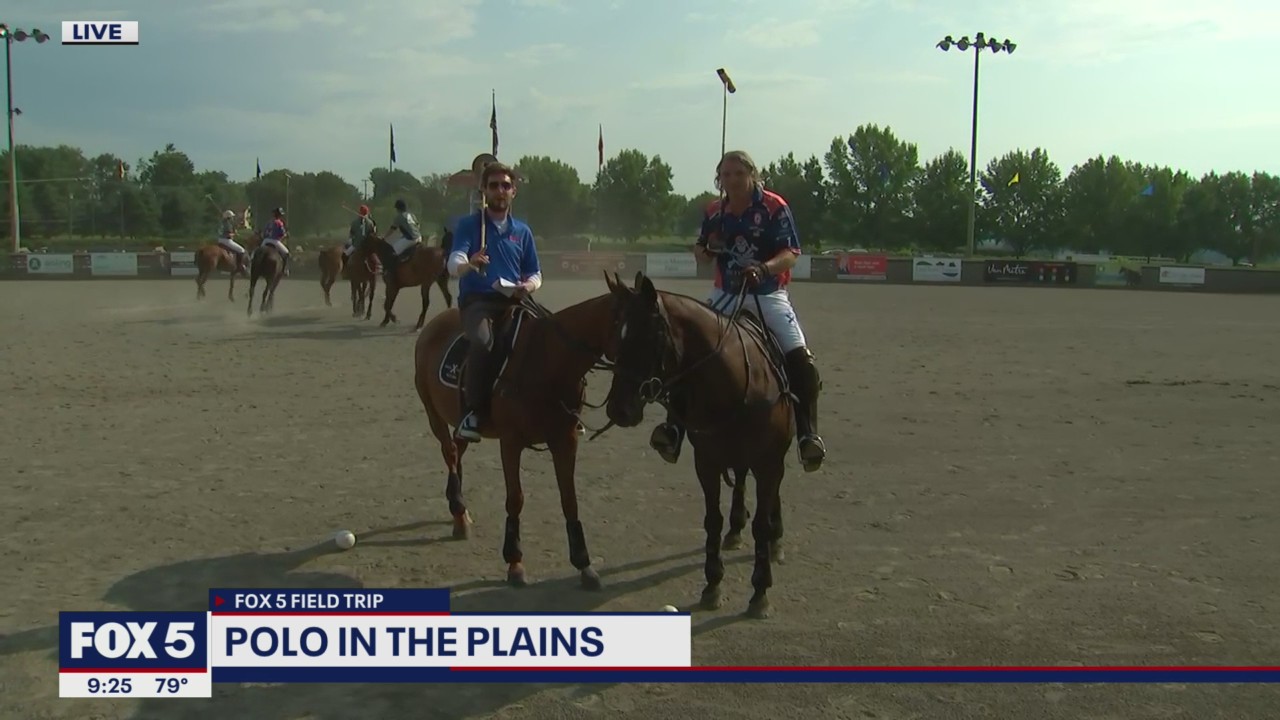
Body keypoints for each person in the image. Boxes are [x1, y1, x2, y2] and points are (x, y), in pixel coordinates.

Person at [649, 149, 827, 472]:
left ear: (752, 175)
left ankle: (807, 434)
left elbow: (791, 253)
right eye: (726, 175)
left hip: (768, 293)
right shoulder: (715, 211)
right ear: (719, 179)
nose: (732, 180)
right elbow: (701, 253)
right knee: (686, 353)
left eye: (738, 174)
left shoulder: (775, 206)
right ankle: (673, 427)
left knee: (800, 357)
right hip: (726, 293)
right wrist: (707, 249)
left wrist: (764, 268)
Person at [446, 162, 542, 442]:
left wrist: (529, 285)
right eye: (493, 185)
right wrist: (470, 263)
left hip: (514, 301)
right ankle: (472, 412)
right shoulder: (469, 225)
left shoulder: (522, 231)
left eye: (505, 185)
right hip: (478, 302)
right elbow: (454, 263)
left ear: (514, 191)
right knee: (483, 342)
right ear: (484, 191)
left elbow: (535, 272)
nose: (500, 190)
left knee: (548, 337)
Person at [382, 198, 422, 283]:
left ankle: (391, 274)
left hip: (411, 239)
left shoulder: (399, 217)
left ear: (398, 208)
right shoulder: (411, 215)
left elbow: (392, 229)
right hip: (419, 237)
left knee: (392, 252)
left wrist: (384, 237)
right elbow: (418, 226)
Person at [259, 207, 291, 276]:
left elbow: (263, 234)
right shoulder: (279, 223)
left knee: (257, 253)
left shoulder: (268, 222)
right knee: (287, 253)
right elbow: (282, 234)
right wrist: (286, 235)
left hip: (266, 240)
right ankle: (285, 270)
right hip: (275, 241)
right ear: (279, 215)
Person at [216, 209, 248, 275]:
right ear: (229, 217)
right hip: (226, 240)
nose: (232, 218)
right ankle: (240, 265)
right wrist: (234, 234)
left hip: (220, 240)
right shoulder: (228, 224)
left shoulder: (222, 222)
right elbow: (228, 234)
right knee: (241, 250)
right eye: (232, 217)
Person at [344, 205, 375, 270]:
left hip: (357, 245)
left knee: (345, 255)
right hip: (366, 246)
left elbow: (351, 233)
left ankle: (345, 269)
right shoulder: (370, 223)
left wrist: (351, 239)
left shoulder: (355, 222)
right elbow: (372, 234)